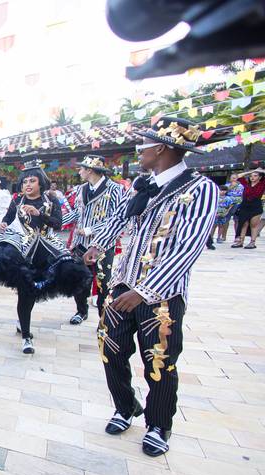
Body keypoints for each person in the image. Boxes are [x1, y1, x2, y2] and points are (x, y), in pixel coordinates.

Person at [83, 117, 217, 457]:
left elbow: (189, 247)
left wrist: (144, 291)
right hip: (121, 284)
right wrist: (97, 245)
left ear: (161, 149)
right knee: (110, 349)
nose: (137, 151)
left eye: (143, 145)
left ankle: (158, 424)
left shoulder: (200, 189)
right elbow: (119, 219)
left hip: (162, 295)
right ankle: (125, 406)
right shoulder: (142, 185)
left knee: (158, 360)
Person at [0, 158, 92, 355]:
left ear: (40, 183)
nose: (28, 185)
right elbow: (9, 217)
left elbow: (58, 224)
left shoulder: (51, 199)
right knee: (25, 293)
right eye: (25, 181)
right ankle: (26, 336)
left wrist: (39, 214)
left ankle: (81, 309)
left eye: (32, 181)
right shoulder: (17, 200)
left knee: (70, 273)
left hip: (48, 248)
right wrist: (3, 223)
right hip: (25, 249)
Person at [63, 155, 129, 325]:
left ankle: (104, 318)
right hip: (80, 244)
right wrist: (55, 221)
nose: (79, 172)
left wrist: (89, 230)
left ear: (90, 170)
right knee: (78, 279)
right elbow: (77, 213)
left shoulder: (115, 189)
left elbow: (117, 219)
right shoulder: (81, 189)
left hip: (102, 244)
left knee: (103, 282)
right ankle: (81, 311)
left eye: (81, 169)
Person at [231, 168, 265, 249]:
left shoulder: (262, 184)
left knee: (253, 224)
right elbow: (238, 176)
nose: (252, 177)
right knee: (243, 224)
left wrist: (260, 171)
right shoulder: (246, 184)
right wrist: (251, 171)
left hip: (256, 205)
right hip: (245, 205)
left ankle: (252, 242)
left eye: (255, 176)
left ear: (260, 177)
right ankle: (240, 241)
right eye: (251, 176)